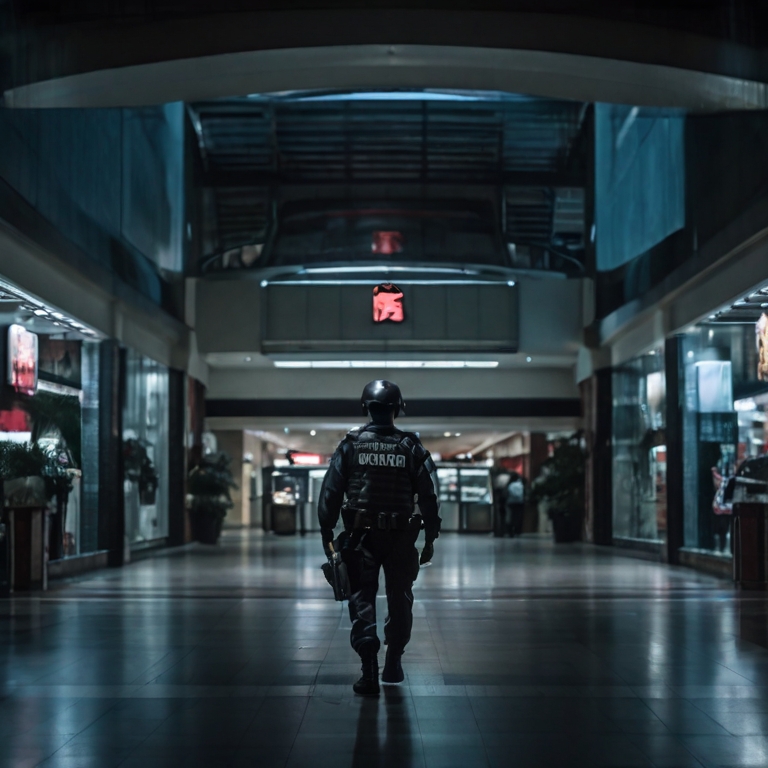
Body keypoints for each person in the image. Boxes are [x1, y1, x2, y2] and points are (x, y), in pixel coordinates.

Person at [318, 379, 441, 695]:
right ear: (398, 408)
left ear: (365, 407)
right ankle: (394, 662)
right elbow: (428, 496)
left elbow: (330, 493)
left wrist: (326, 533)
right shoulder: (411, 447)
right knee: (400, 600)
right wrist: (430, 537)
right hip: (401, 538)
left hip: (361, 537)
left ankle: (368, 671)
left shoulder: (351, 446)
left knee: (361, 599)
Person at [505, 471, 525, 537]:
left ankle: (510, 531)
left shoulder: (510, 485)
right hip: (520, 502)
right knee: (518, 517)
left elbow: (508, 493)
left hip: (511, 502)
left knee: (511, 517)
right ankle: (518, 531)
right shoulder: (520, 485)